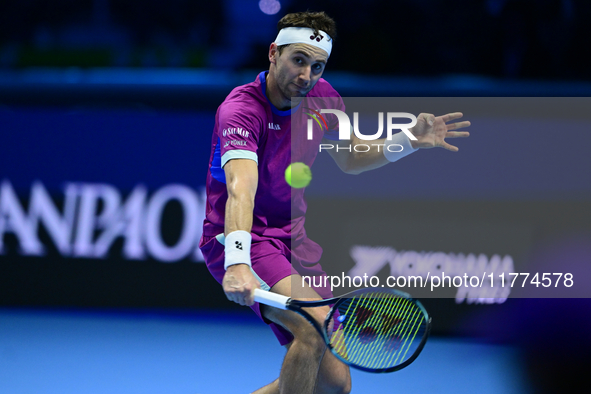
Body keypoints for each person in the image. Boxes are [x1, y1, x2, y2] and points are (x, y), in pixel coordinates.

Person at [199, 11, 470, 394]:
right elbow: (241, 186)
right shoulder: (241, 110)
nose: (306, 76)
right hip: (247, 238)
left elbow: (353, 157)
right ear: (273, 53)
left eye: (317, 66)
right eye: (298, 60)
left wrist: (408, 140)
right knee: (311, 329)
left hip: (295, 242)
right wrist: (239, 262)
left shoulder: (324, 98)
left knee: (333, 385)